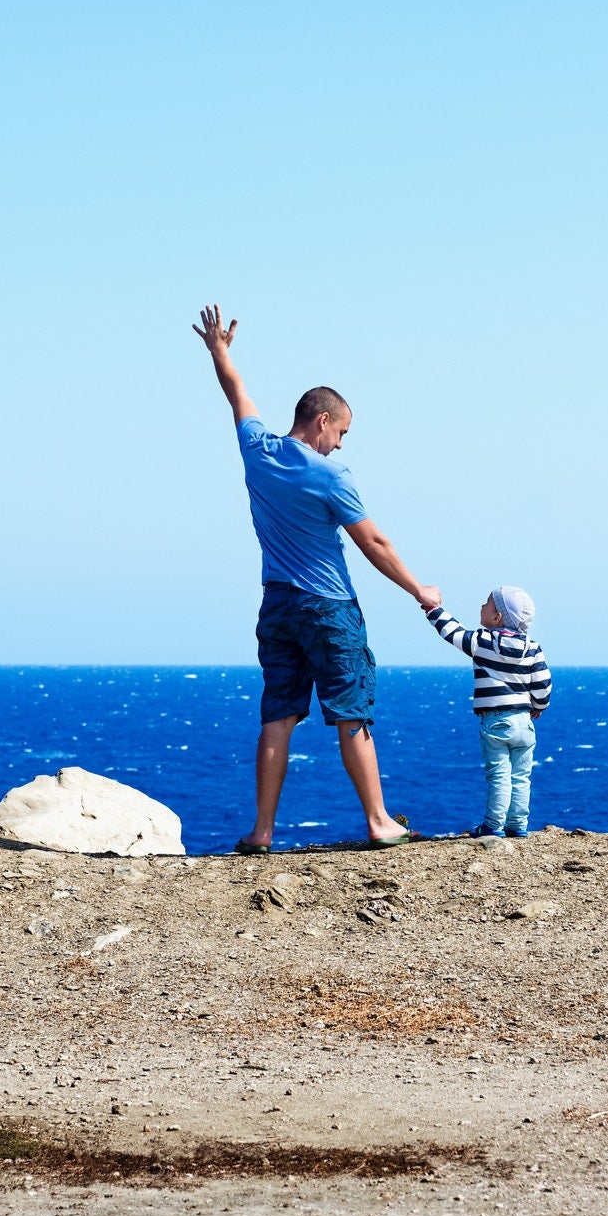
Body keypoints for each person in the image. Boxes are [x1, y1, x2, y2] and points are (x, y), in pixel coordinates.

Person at [193, 304, 435, 854]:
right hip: (327, 605)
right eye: (342, 431)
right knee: (351, 710)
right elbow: (373, 542)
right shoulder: (329, 474)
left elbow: (237, 394)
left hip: (276, 603)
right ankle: (378, 820)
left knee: (278, 715)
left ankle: (261, 831)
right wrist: (420, 591)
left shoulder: (257, 450)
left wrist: (219, 351)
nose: (343, 444)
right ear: (322, 420)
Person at [417, 585, 551, 838]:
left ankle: (493, 826)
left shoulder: (483, 642)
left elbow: (452, 632)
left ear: (496, 618)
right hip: (525, 722)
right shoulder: (533, 648)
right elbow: (543, 684)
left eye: (486, 604)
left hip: (496, 722)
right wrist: (538, 706)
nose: (481, 605)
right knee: (521, 776)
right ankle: (518, 825)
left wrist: (434, 609)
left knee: (499, 775)